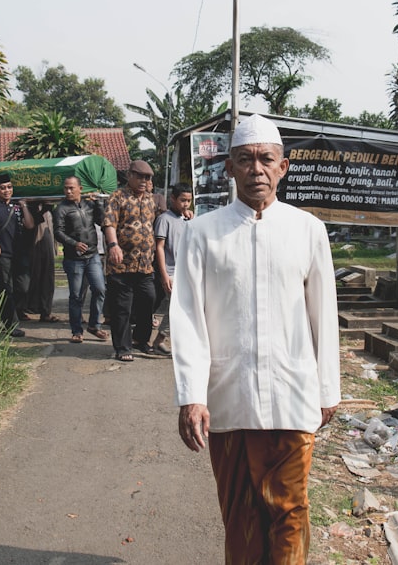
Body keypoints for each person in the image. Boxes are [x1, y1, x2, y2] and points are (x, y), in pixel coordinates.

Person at [171, 114, 340, 563]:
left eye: (266, 159)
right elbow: (187, 315)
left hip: (292, 396)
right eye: (245, 159)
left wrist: (327, 390)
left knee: (290, 514)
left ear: (283, 167)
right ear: (229, 167)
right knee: (241, 521)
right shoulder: (202, 233)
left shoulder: (308, 230)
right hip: (229, 401)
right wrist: (191, 395)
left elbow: (323, 315)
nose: (256, 169)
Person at [102, 160, 157, 361]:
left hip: (145, 265)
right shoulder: (117, 197)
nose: (144, 180)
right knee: (122, 308)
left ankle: (140, 340)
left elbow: (159, 222)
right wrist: (113, 245)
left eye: (148, 177)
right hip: (121, 264)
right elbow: (109, 223)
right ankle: (123, 348)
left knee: (148, 300)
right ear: (130, 175)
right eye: (140, 176)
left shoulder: (151, 200)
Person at [54, 176, 107, 341]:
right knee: (76, 296)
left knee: (100, 290)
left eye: (71, 188)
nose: (68, 191)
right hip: (73, 259)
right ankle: (77, 331)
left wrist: (98, 203)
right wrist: (74, 243)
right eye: (66, 188)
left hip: (92, 255)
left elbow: (102, 221)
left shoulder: (89, 205)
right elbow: (58, 232)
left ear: (80, 188)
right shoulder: (61, 209)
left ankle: (94, 325)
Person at [0, 173, 33, 337]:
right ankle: (11, 324)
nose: (6, 190)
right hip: (1, 253)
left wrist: (24, 206)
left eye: (9, 187)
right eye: (2, 188)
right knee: (8, 288)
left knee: (23, 287)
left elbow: (30, 225)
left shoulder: (17, 206)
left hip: (20, 252)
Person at [151, 183, 193, 354]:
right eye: (182, 200)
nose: (186, 204)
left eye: (189, 201)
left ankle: (160, 340)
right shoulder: (164, 220)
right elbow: (159, 247)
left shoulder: (188, 219)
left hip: (187, 272)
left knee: (181, 309)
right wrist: (164, 275)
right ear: (173, 199)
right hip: (171, 272)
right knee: (179, 309)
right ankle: (167, 342)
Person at [25, 200, 59, 323]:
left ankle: (45, 311)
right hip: (33, 244)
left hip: (46, 242)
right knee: (34, 277)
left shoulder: (49, 208)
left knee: (47, 278)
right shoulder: (30, 207)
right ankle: (28, 308)